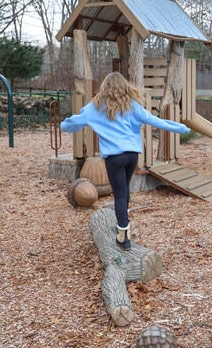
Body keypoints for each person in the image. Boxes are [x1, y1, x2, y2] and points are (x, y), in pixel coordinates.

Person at [61, 72, 191, 250]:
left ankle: (123, 236)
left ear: (104, 87)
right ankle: (124, 221)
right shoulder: (133, 106)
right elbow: (155, 121)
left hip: (114, 157)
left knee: (120, 194)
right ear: (125, 87)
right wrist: (181, 128)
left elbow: (72, 124)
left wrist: (65, 124)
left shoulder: (95, 107)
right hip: (131, 155)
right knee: (125, 190)